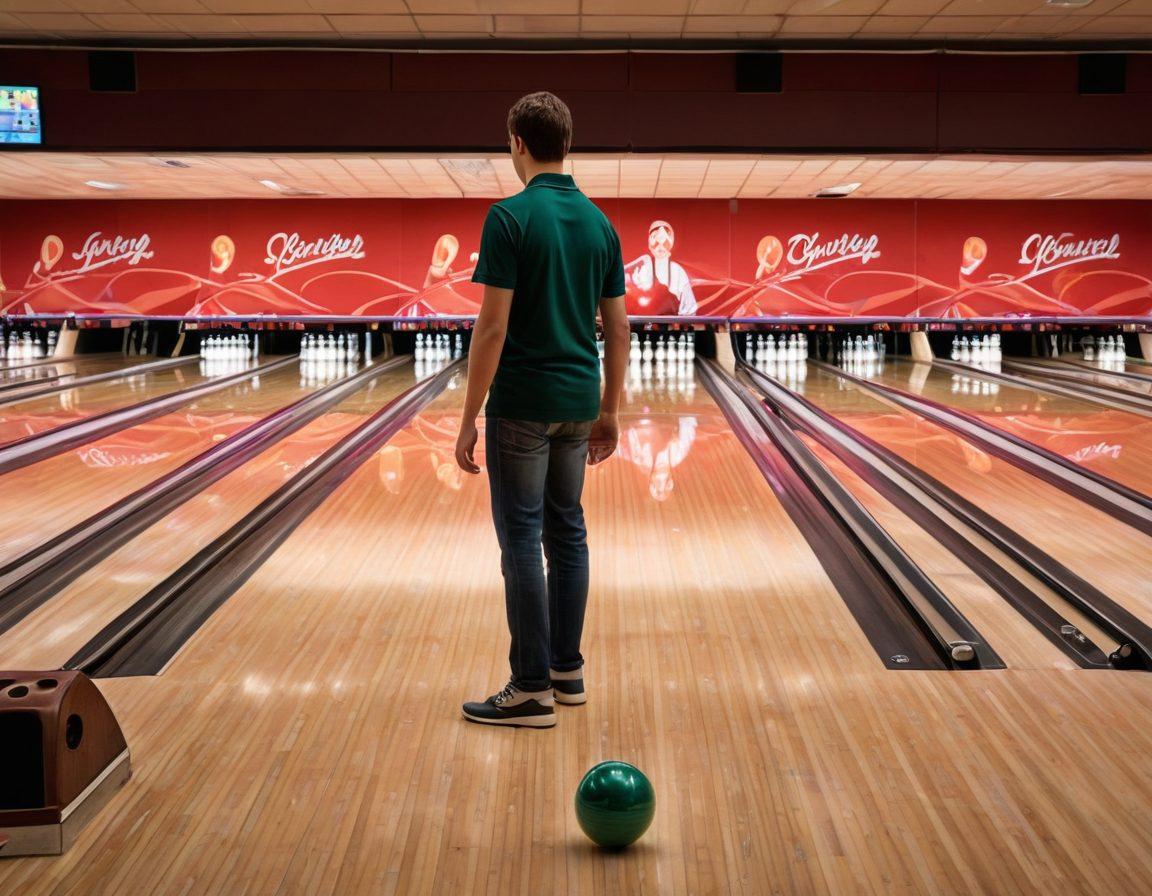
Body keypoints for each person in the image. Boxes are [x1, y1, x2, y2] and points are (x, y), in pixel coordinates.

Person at [454, 91, 630, 728]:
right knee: (569, 534)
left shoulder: (508, 217)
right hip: (579, 401)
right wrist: (610, 411)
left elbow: (492, 328)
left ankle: (530, 688)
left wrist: (469, 415)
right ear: (569, 143)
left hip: (522, 405)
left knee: (522, 541)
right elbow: (617, 327)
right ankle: (567, 672)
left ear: (518, 144)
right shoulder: (600, 224)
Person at [626, 219, 696, 316]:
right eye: (656, 241)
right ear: (650, 245)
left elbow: (689, 308)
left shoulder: (677, 271)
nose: (660, 247)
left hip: (671, 326)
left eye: (665, 243)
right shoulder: (643, 269)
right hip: (646, 325)